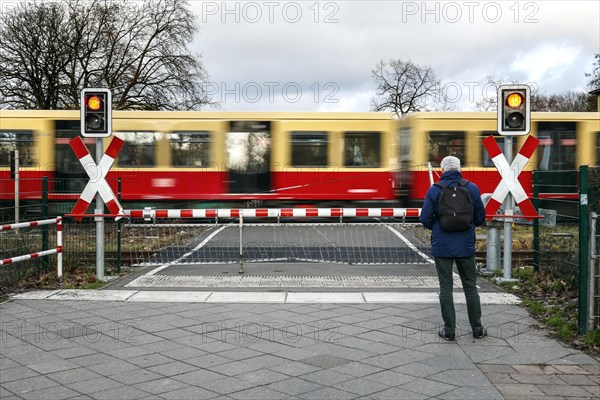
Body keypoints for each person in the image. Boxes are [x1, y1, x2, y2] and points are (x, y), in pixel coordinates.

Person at [419, 156, 487, 341]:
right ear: (459, 169)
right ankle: (477, 329)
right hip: (466, 244)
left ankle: (449, 330)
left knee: (446, 287)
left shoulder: (434, 190)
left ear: (442, 170)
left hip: (442, 245)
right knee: (470, 287)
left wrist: (440, 227)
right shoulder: (471, 188)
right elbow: (480, 217)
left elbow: (425, 218)